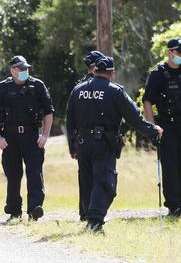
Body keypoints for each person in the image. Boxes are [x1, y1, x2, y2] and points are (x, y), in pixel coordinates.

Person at [66, 57, 163, 233]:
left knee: (87, 181)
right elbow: (134, 117)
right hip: (103, 143)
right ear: (112, 73)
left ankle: (89, 217)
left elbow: (70, 120)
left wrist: (72, 146)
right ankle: (95, 222)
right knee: (105, 182)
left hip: (82, 143)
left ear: (94, 71)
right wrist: (153, 130)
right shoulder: (115, 91)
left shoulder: (77, 90)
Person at [142, 38, 181, 219]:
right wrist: (151, 126)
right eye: (179, 52)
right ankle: (174, 208)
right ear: (170, 52)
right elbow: (147, 100)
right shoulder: (158, 74)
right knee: (170, 166)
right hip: (166, 125)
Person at [0, 56, 54, 222]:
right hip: (9, 137)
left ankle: (34, 208)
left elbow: (48, 112)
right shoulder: (2, 88)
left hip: (32, 136)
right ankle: (14, 209)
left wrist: (45, 134)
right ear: (12, 70)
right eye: (20, 68)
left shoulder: (37, 86)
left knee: (34, 172)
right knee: (13, 174)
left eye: (26, 68)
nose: (24, 71)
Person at [74, 50, 105, 221]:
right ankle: (88, 212)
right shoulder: (87, 86)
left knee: (86, 177)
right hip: (91, 139)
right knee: (91, 177)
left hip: (83, 139)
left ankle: (86, 212)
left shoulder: (79, 86)